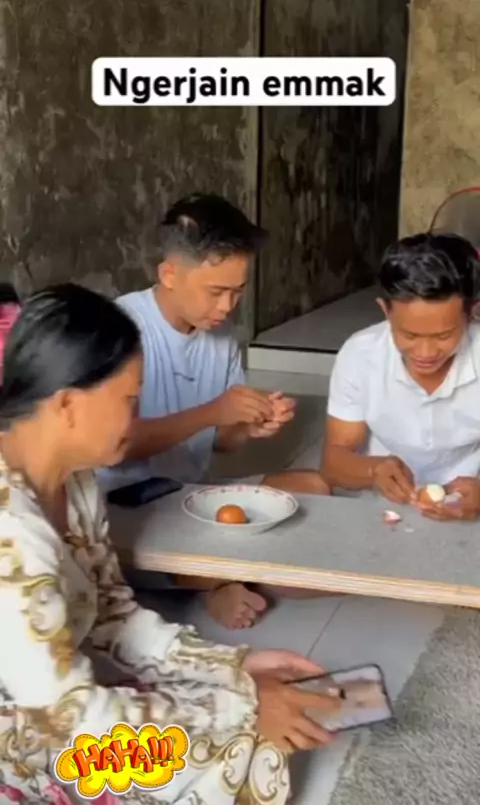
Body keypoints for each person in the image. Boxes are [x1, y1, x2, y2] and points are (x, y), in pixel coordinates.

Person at [0, 282, 340, 804]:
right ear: (67, 404)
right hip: (33, 731)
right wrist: (246, 708)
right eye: (129, 401)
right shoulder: (11, 536)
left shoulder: (78, 481)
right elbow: (72, 721)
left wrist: (235, 668)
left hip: (61, 699)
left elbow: (113, 614)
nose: (137, 418)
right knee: (230, 747)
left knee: (240, 725)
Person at [98, 194, 329, 629]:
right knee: (295, 562)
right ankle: (217, 584)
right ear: (169, 274)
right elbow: (113, 447)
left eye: (237, 291)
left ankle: (220, 578)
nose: (227, 306)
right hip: (126, 507)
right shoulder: (119, 329)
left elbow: (220, 441)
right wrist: (212, 411)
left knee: (312, 487)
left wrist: (251, 427)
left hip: (191, 496)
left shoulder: (221, 337)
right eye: (216, 292)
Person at [321, 233, 480, 521]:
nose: (425, 352)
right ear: (385, 310)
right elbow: (334, 462)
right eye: (409, 335)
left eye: (444, 335)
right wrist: (372, 471)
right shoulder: (360, 355)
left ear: (471, 314)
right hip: (385, 508)